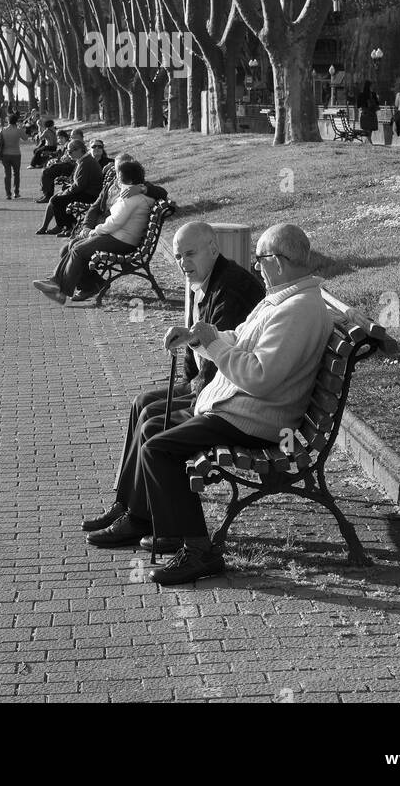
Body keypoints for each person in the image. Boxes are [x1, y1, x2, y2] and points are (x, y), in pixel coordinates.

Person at [84, 224, 333, 586]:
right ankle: (157, 525)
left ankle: (199, 551)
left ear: (278, 262)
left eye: (260, 259)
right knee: (154, 426)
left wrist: (214, 347)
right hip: (241, 407)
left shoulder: (297, 310)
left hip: (257, 418)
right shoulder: (283, 298)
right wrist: (202, 337)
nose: (256, 266)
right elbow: (242, 338)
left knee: (159, 448)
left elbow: (260, 375)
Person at [80, 222, 264, 553]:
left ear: (213, 249)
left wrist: (191, 389)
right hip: (210, 382)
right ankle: (127, 504)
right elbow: (202, 356)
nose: (183, 263)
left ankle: (140, 516)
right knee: (141, 402)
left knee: (153, 413)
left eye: (190, 254)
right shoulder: (208, 281)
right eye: (178, 256)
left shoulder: (230, 289)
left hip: (225, 392)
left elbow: (214, 370)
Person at [33, 159, 156, 304]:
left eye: (119, 175)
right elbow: (105, 215)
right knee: (70, 246)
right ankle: (88, 285)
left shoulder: (132, 197)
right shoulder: (129, 194)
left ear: (127, 179)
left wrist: (94, 231)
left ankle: (60, 291)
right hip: (116, 236)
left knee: (78, 250)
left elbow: (115, 222)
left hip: (122, 240)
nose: (117, 178)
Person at [36, 140, 103, 234]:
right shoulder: (83, 160)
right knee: (56, 198)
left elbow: (79, 185)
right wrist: (66, 189)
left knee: (58, 200)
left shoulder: (86, 162)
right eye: (68, 151)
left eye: (70, 151)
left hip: (90, 195)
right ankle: (59, 226)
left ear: (79, 150)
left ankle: (67, 226)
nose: (68, 153)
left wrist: (65, 192)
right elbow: (77, 182)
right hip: (87, 192)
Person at [37, 128, 84, 201]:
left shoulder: (81, 145)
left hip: (73, 167)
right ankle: (46, 193)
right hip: (69, 165)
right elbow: (65, 156)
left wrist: (62, 160)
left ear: (79, 136)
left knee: (48, 171)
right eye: (70, 136)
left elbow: (76, 158)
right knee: (48, 168)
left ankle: (47, 195)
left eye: (72, 136)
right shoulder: (73, 144)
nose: (70, 138)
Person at [0, 112, 23, 197]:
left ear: (8, 121)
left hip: (5, 154)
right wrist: (21, 128)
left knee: (7, 174)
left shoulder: (3, 130)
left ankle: (8, 193)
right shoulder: (18, 130)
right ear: (16, 121)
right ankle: (16, 192)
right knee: (16, 173)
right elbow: (25, 138)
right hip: (16, 154)